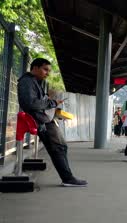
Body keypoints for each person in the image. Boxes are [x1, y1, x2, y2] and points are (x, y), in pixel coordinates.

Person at [17, 58, 87, 187]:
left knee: (60, 147)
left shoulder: (34, 81)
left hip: (43, 119)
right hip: (39, 121)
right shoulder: (27, 82)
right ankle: (68, 178)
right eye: (45, 69)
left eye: (48, 71)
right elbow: (30, 103)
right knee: (58, 147)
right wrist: (52, 103)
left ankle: (68, 177)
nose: (47, 73)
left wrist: (49, 102)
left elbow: (36, 101)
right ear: (35, 68)